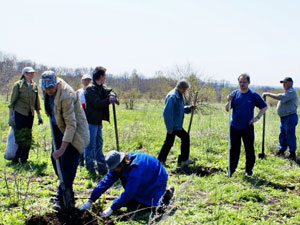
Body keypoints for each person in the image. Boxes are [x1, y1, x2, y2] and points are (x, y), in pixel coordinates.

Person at [40, 71, 89, 211]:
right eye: (46, 88)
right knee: (55, 160)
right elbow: (49, 108)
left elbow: (71, 125)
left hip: (75, 132)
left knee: (67, 164)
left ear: (56, 84)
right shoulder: (45, 90)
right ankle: (65, 190)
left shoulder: (66, 95)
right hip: (59, 127)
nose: (49, 90)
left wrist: (62, 149)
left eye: (51, 88)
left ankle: (62, 198)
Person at [79, 150, 172, 217]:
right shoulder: (116, 168)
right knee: (133, 203)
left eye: (115, 168)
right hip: (144, 176)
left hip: (156, 176)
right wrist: (90, 200)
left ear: (121, 163)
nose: (113, 171)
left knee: (152, 206)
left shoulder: (135, 168)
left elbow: (130, 191)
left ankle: (166, 195)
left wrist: (112, 207)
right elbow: (105, 182)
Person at [225, 74, 268, 176]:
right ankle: (230, 170)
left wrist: (257, 118)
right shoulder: (234, 94)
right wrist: (228, 101)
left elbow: (264, 107)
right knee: (233, 149)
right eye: (240, 82)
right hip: (234, 126)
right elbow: (227, 109)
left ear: (248, 82)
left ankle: (248, 171)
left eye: (244, 82)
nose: (242, 84)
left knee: (249, 149)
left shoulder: (253, 95)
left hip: (247, 127)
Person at [84, 66, 118, 176]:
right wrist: (109, 100)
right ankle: (90, 167)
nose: (105, 78)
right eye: (104, 76)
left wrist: (112, 95)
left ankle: (102, 167)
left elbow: (109, 92)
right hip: (90, 121)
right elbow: (97, 103)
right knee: (91, 145)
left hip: (98, 122)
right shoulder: (90, 89)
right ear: (100, 76)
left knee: (99, 144)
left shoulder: (100, 88)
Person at [8, 66, 43, 164]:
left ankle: (24, 159)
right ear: (25, 74)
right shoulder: (18, 85)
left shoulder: (34, 86)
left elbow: (37, 103)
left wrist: (39, 116)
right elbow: (12, 102)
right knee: (20, 136)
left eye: (33, 73)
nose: (32, 75)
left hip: (30, 114)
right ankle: (16, 158)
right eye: (30, 73)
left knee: (28, 136)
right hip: (19, 114)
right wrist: (10, 117)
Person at [157, 79, 195, 167]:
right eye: (184, 89)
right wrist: (169, 128)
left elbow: (179, 109)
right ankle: (184, 160)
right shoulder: (173, 96)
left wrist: (189, 108)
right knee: (185, 137)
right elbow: (167, 113)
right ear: (180, 88)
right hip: (174, 125)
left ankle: (160, 160)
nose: (185, 91)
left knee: (169, 142)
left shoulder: (179, 95)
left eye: (185, 89)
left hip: (176, 124)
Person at [262, 77, 298, 161]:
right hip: (284, 118)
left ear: (290, 83)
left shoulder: (291, 92)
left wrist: (268, 94)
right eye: (283, 83)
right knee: (282, 134)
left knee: (290, 134)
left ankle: (292, 153)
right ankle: (281, 150)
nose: (283, 85)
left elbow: (280, 97)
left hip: (290, 117)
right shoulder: (287, 92)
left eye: (285, 83)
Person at [76, 73, 92, 166]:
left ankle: (89, 159)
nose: (87, 82)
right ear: (82, 81)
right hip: (81, 116)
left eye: (88, 80)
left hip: (90, 117)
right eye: (85, 80)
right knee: (81, 138)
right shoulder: (78, 92)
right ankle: (80, 159)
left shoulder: (93, 91)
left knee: (89, 139)